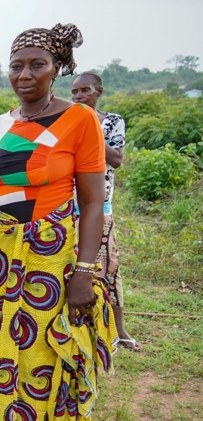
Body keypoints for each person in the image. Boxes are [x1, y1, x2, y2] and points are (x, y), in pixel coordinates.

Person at [0, 24, 118, 421]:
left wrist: (83, 270)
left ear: (57, 68)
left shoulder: (79, 119)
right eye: (16, 66)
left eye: (36, 65)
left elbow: (92, 203)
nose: (24, 74)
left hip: (47, 252)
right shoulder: (0, 124)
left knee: (41, 343)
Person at [71, 72, 141, 350]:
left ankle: (119, 330)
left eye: (85, 90)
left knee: (108, 268)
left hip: (99, 207)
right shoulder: (66, 120)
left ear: (98, 92)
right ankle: (78, 328)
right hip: (66, 206)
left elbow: (116, 158)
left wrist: (88, 129)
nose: (78, 96)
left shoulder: (112, 122)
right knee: (70, 267)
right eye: (74, 91)